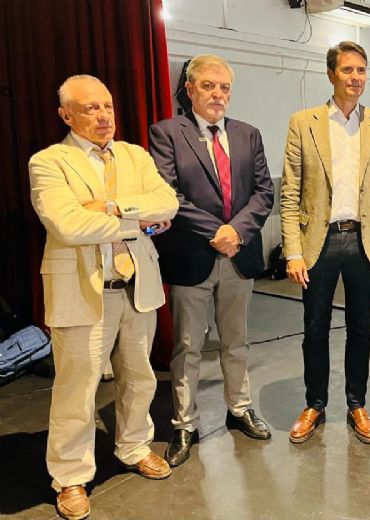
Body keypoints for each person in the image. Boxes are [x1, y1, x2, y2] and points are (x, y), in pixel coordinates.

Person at [29, 75, 178, 520]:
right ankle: (70, 476)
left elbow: (167, 202)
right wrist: (138, 219)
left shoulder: (134, 155)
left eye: (107, 106)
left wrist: (112, 208)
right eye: (90, 108)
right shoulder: (49, 162)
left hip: (137, 285)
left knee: (140, 377)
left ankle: (134, 446)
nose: (103, 116)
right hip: (81, 290)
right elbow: (68, 225)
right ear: (66, 115)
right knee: (77, 389)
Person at [149, 54, 274, 467]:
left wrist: (236, 232)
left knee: (236, 339)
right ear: (190, 89)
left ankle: (239, 407)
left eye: (224, 87)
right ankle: (185, 423)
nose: (218, 94)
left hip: (239, 254)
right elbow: (168, 194)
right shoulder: (168, 133)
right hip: (192, 256)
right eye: (208, 86)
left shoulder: (248, 134)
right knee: (188, 345)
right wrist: (217, 232)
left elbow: (264, 192)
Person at [281, 41, 370, 445]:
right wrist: (293, 251)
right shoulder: (303, 123)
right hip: (319, 242)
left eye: (361, 70)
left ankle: (357, 404)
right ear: (331, 74)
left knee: (361, 328)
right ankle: (314, 403)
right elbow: (290, 192)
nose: (355, 77)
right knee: (314, 328)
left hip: (365, 241)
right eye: (347, 70)